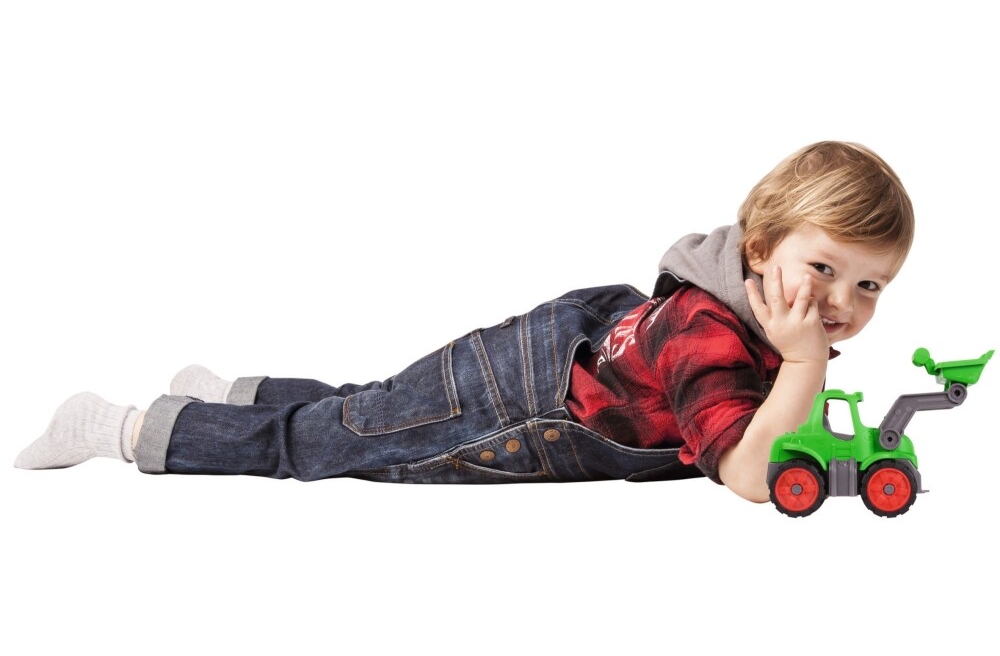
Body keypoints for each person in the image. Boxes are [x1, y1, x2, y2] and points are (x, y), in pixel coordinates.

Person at [15, 141, 914, 503]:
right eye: (824, 268)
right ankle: (124, 428)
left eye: (870, 285)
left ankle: (230, 393)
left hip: (545, 350)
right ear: (759, 249)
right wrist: (805, 365)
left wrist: (801, 360)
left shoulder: (734, 296)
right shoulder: (712, 335)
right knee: (331, 444)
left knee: (368, 406)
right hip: (519, 405)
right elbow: (754, 474)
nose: (841, 303)